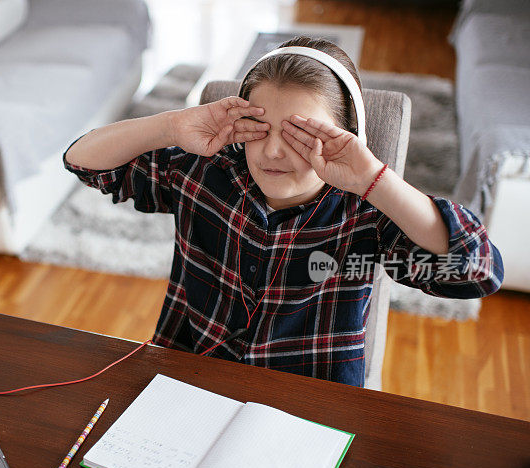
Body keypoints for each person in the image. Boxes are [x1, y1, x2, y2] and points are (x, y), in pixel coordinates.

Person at [62, 36, 503, 386]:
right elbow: (83, 161)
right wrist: (170, 125)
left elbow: (479, 271)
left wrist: (374, 180)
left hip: (308, 406)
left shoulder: (365, 212)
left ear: (346, 136)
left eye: (299, 135)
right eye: (260, 128)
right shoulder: (206, 173)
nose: (271, 151)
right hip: (188, 381)